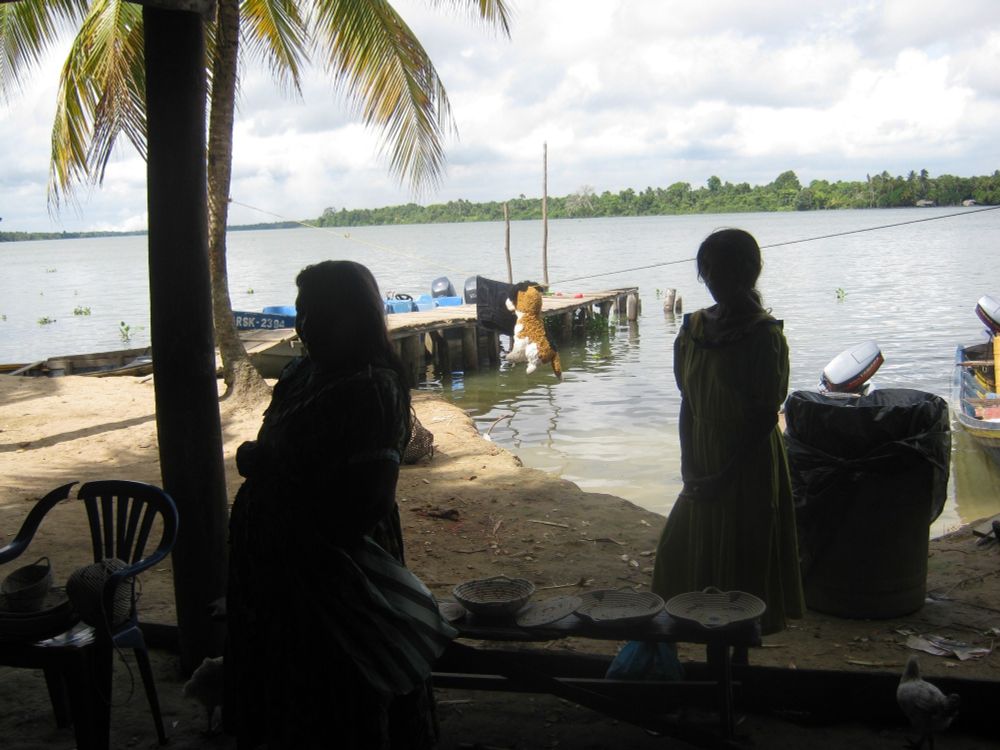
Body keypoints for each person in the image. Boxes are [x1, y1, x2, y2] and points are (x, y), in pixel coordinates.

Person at [225, 260, 454, 749]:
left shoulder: (370, 387)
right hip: (276, 568)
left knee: (341, 694)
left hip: (334, 573)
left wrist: (271, 472)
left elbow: (367, 502)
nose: (305, 325)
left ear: (355, 316)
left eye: (320, 313)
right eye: (302, 312)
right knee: (282, 692)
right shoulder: (303, 371)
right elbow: (286, 442)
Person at [651, 229, 804, 635]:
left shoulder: (765, 337)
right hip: (703, 454)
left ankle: (737, 658)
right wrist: (689, 464)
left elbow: (763, 419)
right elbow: (689, 401)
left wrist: (725, 475)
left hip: (748, 461)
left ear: (748, 272)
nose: (713, 279)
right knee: (677, 552)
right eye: (707, 270)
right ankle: (708, 644)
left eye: (721, 270)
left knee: (743, 561)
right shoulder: (694, 329)